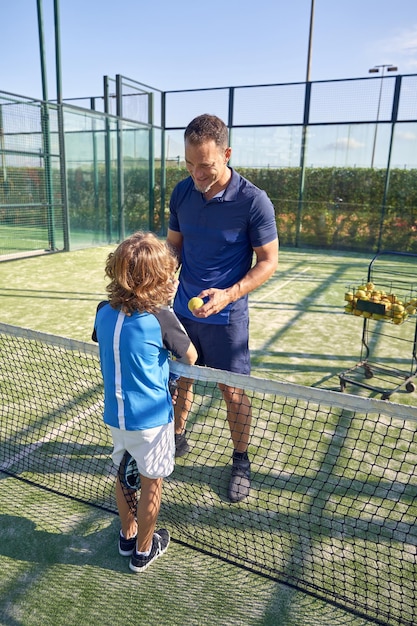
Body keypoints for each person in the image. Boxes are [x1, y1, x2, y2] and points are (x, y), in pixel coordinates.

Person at [167, 114, 279, 503]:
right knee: (181, 379)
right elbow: (174, 248)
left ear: (226, 154)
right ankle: (178, 438)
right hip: (183, 311)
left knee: (233, 391)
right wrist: (157, 278)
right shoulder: (182, 193)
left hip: (228, 316)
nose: (196, 173)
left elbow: (268, 261)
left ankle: (240, 460)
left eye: (206, 165)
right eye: (189, 164)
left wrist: (230, 294)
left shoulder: (254, 201)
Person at [92, 231, 197, 572]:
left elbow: (105, 337)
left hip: (115, 416)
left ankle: (127, 535)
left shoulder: (102, 311)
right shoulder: (162, 317)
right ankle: (144, 551)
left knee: (123, 475)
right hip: (152, 420)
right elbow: (190, 357)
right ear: (159, 277)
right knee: (152, 483)